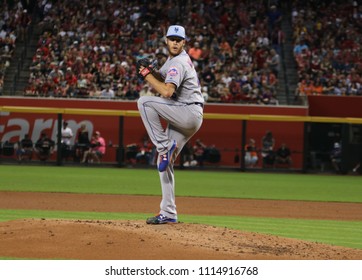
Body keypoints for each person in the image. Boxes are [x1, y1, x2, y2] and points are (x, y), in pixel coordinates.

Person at [137, 25, 204, 224]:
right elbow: (162, 78)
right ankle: (168, 212)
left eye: (178, 39)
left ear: (184, 42)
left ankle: (163, 145)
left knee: (144, 102)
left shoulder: (179, 63)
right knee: (163, 163)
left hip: (187, 111)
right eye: (172, 39)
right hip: (188, 115)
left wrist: (146, 75)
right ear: (166, 40)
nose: (175, 42)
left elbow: (166, 92)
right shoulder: (172, 61)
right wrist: (150, 71)